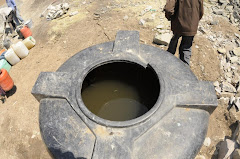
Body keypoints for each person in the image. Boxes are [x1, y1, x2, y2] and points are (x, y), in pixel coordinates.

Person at [164, 0, 204, 65]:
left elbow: (168, 9)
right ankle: (185, 72)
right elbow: (201, 11)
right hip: (192, 25)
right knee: (186, 49)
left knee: (173, 44)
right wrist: (194, 21)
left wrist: (170, 17)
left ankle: (165, 65)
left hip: (178, 24)